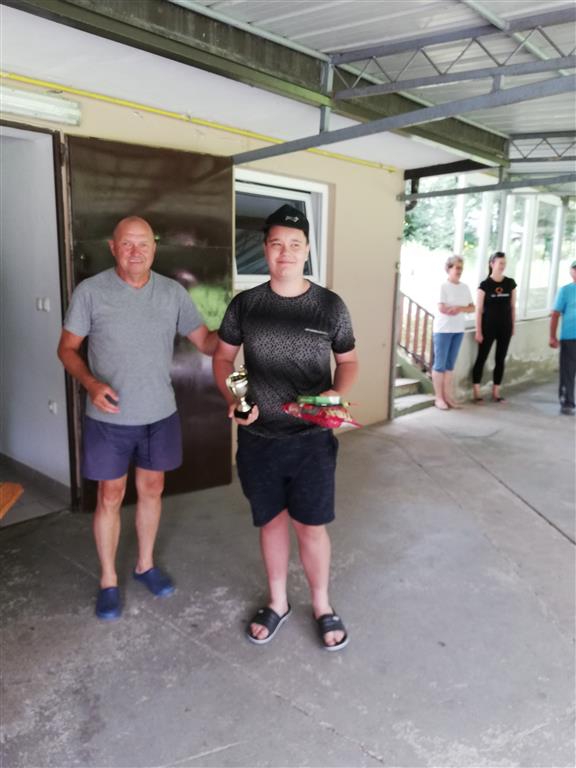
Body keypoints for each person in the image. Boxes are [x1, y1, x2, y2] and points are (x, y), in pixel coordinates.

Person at [213, 204, 358, 651]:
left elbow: (348, 362)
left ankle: (322, 604)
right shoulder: (246, 305)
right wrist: (234, 400)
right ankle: (278, 601)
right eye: (277, 244)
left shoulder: (330, 305)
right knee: (271, 523)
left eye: (295, 244)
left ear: (308, 249)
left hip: (312, 439)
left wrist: (334, 394)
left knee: (311, 526)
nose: (286, 252)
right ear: (265, 249)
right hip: (259, 440)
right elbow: (222, 358)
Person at [57, 216, 218, 620]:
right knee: (110, 495)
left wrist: (244, 326)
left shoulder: (172, 293)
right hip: (108, 417)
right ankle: (108, 580)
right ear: (113, 248)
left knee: (152, 489)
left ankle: (145, 565)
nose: (135, 251)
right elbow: (66, 349)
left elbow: (207, 342)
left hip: (159, 414)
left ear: (154, 248)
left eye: (143, 243)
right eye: (127, 243)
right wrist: (91, 384)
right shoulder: (91, 292)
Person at [472, 251, 517, 403]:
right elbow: (478, 310)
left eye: (504, 263)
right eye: (500, 263)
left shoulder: (510, 283)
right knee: (482, 357)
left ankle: (496, 392)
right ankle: (476, 391)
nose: (503, 266)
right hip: (488, 327)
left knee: (500, 358)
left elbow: (512, 307)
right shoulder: (484, 285)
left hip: (505, 327)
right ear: (492, 264)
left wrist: (513, 325)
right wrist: (478, 331)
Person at [431, 255, 474, 410]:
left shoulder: (465, 287)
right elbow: (441, 307)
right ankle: (438, 398)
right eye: (457, 267)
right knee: (440, 365)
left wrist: (459, 308)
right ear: (449, 269)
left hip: (458, 329)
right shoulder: (443, 286)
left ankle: (448, 397)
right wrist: (454, 309)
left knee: (450, 365)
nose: (459, 271)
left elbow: (472, 307)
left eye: (461, 268)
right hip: (443, 330)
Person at [549, 260, 576, 415]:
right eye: (575, 269)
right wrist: (552, 336)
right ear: (571, 271)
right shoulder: (565, 291)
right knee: (568, 371)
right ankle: (567, 402)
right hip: (569, 337)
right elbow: (555, 314)